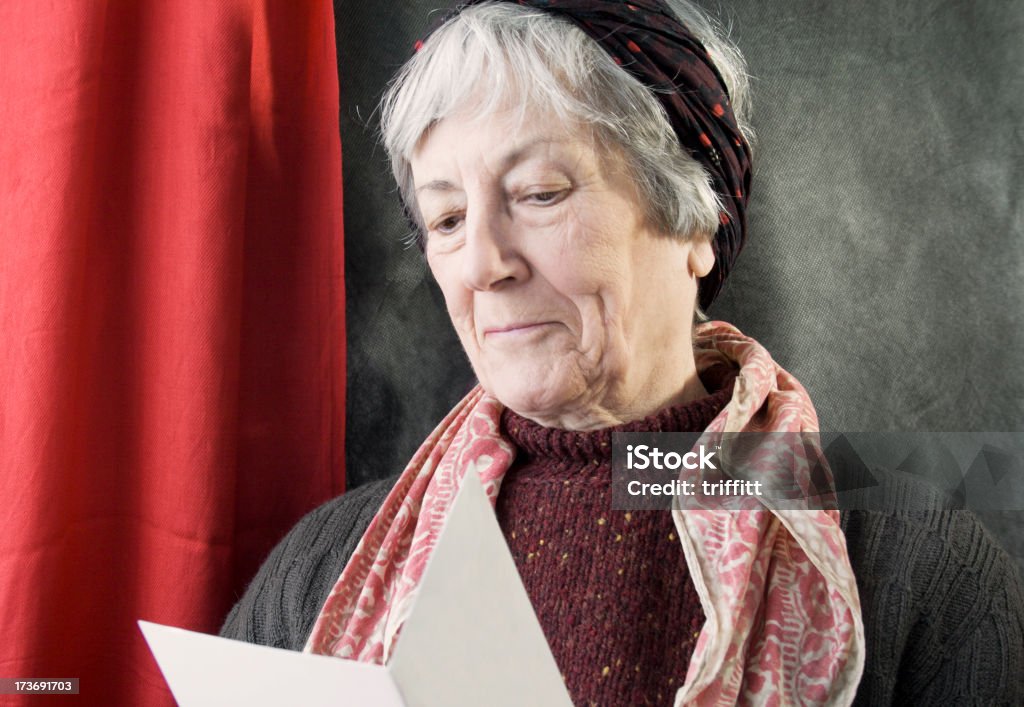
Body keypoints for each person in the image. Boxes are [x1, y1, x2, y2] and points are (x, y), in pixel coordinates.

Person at [221, 1, 1024, 704]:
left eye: (539, 193)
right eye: (446, 219)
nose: (481, 262)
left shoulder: (914, 562)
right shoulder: (326, 570)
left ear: (695, 220)